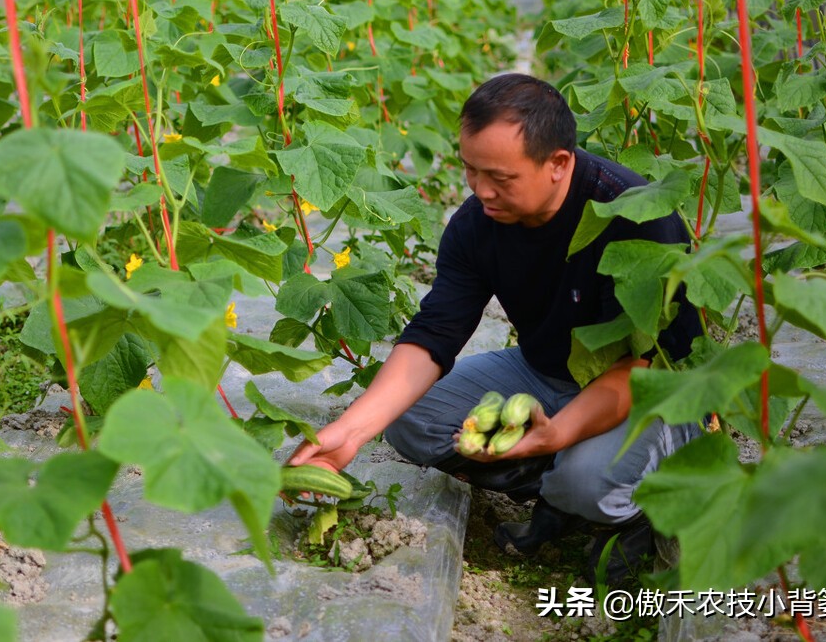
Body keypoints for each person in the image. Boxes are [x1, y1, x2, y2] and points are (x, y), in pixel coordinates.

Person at [288, 73, 703, 586]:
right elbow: (435, 333)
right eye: (470, 169)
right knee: (410, 419)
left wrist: (555, 435)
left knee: (585, 481)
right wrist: (348, 433)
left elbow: (641, 368)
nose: (482, 190)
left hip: (651, 390)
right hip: (545, 372)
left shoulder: (636, 216)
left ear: (558, 164)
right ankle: (561, 487)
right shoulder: (477, 224)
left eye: (501, 178)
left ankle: (626, 508)